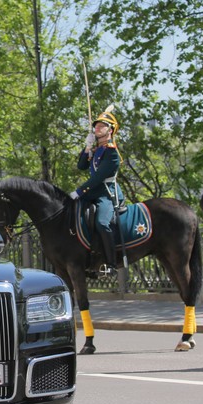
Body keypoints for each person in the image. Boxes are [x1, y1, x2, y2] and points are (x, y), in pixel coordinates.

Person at [69, 106, 125, 277]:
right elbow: (81, 166)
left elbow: (98, 178)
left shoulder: (112, 153)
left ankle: (111, 264)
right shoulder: (95, 149)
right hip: (94, 191)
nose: (97, 128)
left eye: (102, 126)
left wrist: (79, 191)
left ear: (110, 130)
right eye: (96, 126)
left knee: (102, 223)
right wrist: (87, 147)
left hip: (107, 193)